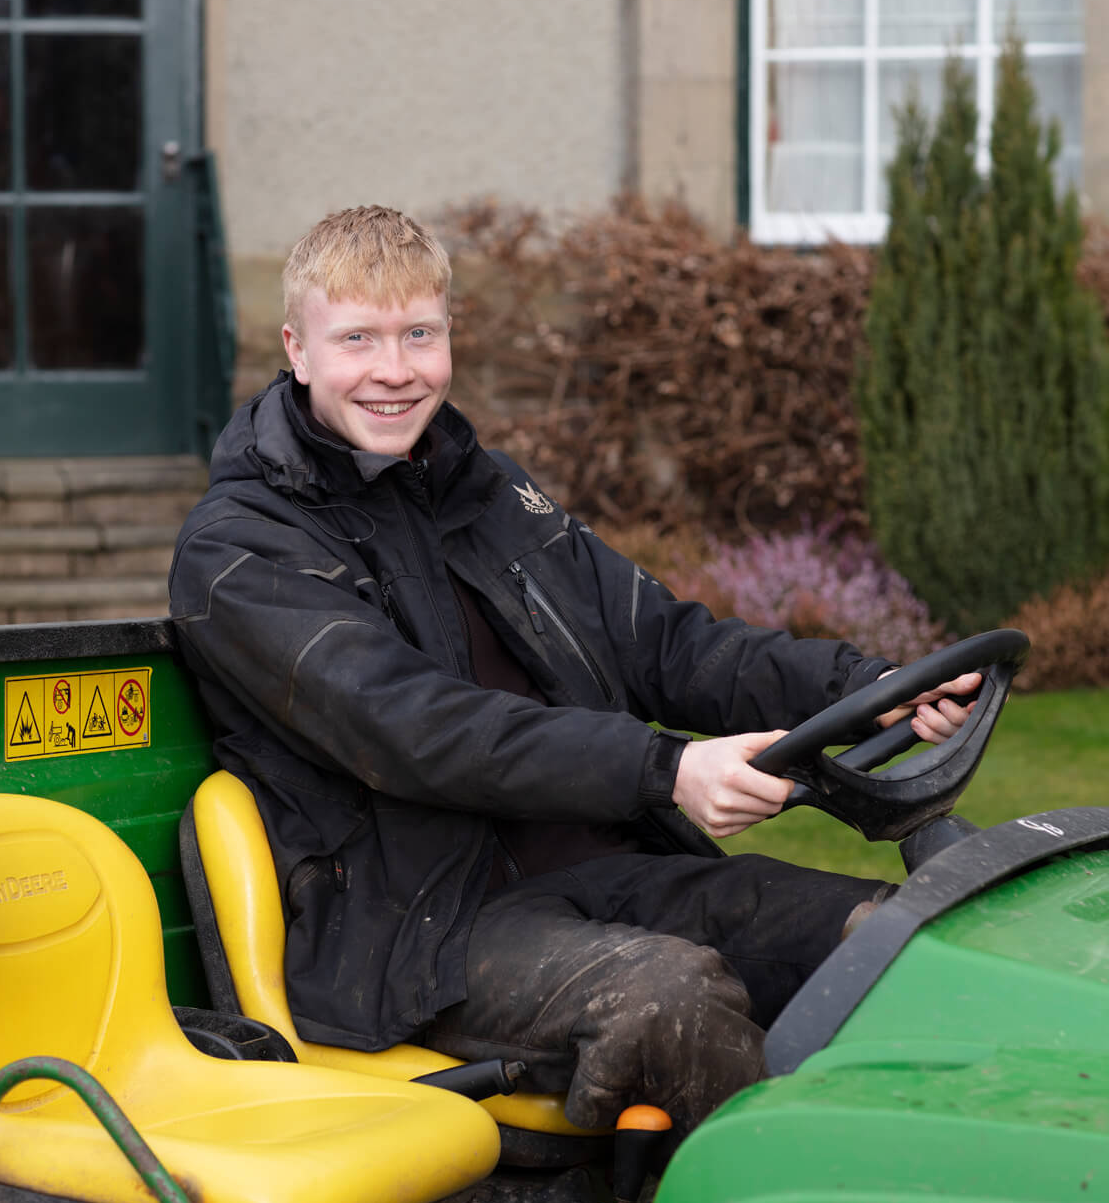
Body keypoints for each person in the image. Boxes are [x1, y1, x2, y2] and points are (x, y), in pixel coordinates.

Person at [169, 205, 978, 1136]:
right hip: (418, 938)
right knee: (667, 997)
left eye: (418, 335)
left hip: (605, 873)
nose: (394, 371)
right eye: (358, 339)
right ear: (297, 351)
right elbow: (419, 728)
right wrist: (665, 768)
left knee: (891, 941)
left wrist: (871, 685)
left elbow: (666, 644)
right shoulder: (240, 551)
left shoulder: (488, 494)